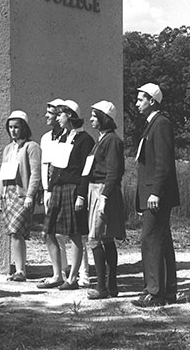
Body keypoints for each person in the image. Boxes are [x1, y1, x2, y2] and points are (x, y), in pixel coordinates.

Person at [131, 83, 180, 308]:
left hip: (156, 195)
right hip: (152, 193)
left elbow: (163, 163)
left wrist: (155, 193)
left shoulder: (161, 124)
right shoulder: (151, 125)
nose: (136, 103)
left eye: (141, 99)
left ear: (152, 101)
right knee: (161, 241)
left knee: (151, 240)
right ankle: (167, 290)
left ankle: (155, 292)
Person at [37, 100, 94, 290]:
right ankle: (57, 275)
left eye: (60, 114)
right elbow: (55, 166)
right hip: (58, 189)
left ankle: (73, 278)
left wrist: (81, 195)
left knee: (75, 233)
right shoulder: (62, 137)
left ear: (69, 115)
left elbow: (85, 171)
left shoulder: (85, 140)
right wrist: (50, 188)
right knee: (48, 231)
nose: (57, 118)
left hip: (73, 188)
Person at [83, 101, 127, 299]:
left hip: (103, 191)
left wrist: (104, 196)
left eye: (94, 115)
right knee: (106, 238)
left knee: (95, 238)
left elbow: (114, 171)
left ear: (103, 118)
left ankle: (103, 287)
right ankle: (111, 286)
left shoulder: (112, 141)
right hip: (97, 190)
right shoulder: (101, 140)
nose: (91, 119)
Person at [0, 110, 42, 282]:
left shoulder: (32, 147)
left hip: (22, 195)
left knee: (16, 231)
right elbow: (3, 174)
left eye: (16, 127)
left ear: (24, 128)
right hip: (8, 194)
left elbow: (35, 173)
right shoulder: (8, 149)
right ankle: (20, 269)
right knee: (14, 233)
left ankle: (20, 270)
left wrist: (30, 195)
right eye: (11, 127)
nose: (13, 130)